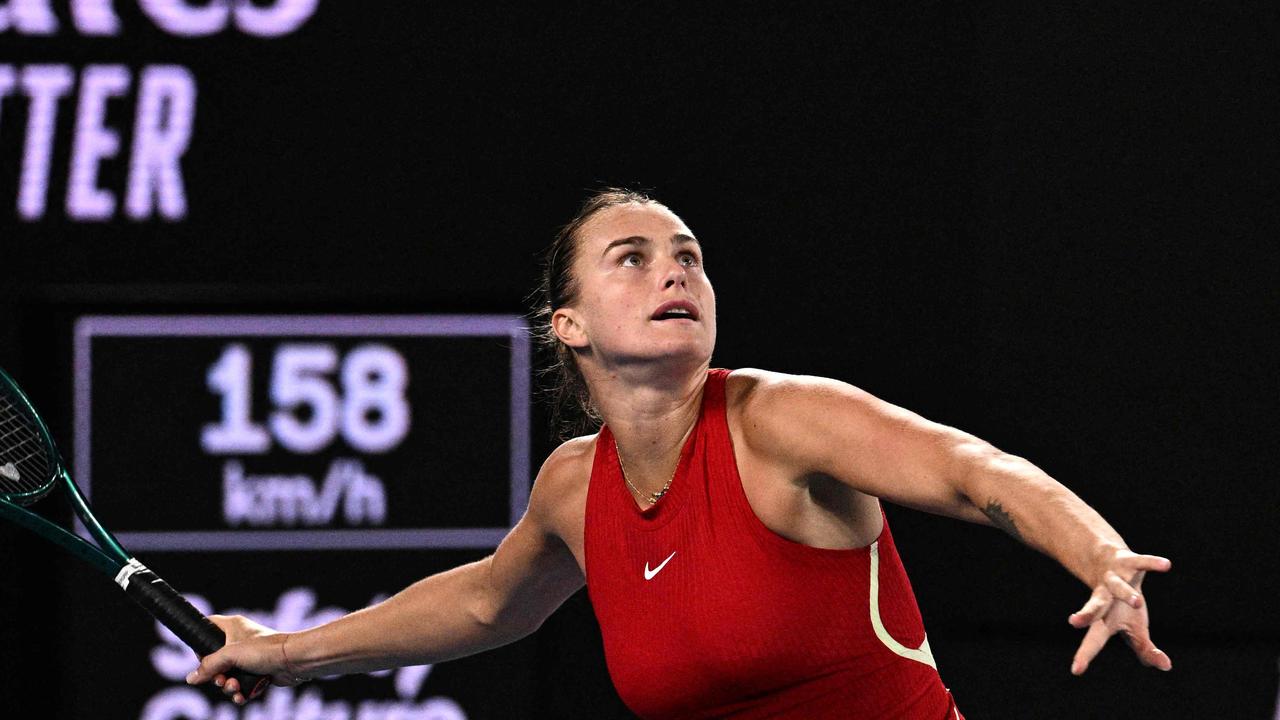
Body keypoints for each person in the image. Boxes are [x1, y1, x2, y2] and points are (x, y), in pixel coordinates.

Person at [186, 189, 1173, 718]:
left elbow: (973, 468)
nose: (676, 271)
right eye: (634, 258)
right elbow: (488, 601)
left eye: (689, 256)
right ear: (567, 325)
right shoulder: (575, 488)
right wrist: (279, 655)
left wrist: (1095, 554)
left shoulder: (777, 421)